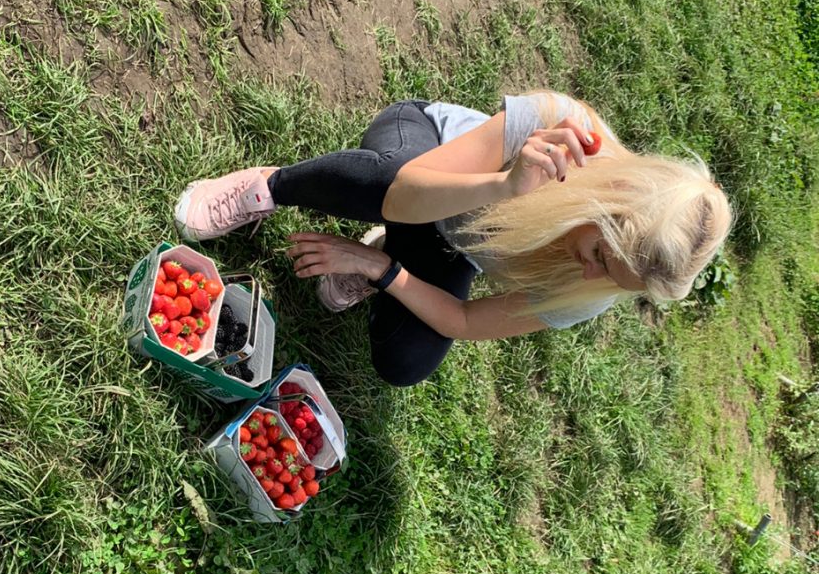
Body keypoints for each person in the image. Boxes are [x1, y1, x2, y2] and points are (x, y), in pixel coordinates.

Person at [173, 92, 732, 387]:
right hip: (420, 159)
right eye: (599, 258)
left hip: (450, 242)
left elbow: (464, 323)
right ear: (606, 203)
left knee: (406, 363)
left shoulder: (594, 289)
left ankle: (387, 248)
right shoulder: (559, 128)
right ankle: (267, 186)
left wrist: (381, 269)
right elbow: (406, 194)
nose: (594, 281)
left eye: (616, 285)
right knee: (384, 177)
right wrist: (506, 185)